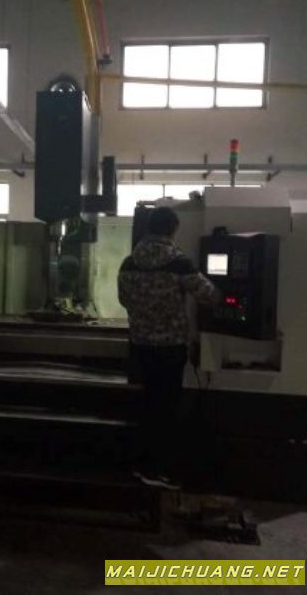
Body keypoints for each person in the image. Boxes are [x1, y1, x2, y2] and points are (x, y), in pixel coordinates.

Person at [117, 206, 219, 489]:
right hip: (170, 347)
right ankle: (160, 469)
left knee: (147, 404)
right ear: (173, 229)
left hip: (140, 346)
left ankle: (141, 465)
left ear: (149, 228)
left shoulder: (128, 263)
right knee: (167, 408)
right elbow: (209, 295)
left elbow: (124, 299)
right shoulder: (179, 262)